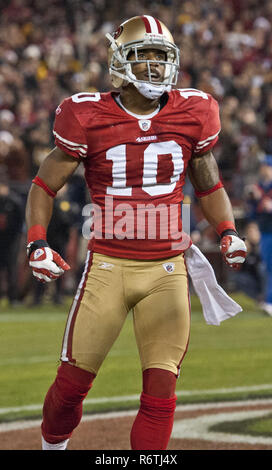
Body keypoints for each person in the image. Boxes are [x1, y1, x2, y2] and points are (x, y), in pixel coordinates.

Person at [25, 15, 247, 451]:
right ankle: (53, 446)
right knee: (70, 387)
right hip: (108, 266)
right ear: (118, 61)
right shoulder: (86, 114)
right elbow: (43, 185)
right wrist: (37, 240)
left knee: (161, 393)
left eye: (161, 57)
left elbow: (209, 182)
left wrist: (227, 229)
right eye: (143, 56)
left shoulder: (194, 111)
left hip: (167, 269)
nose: (153, 67)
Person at [245, 155, 272, 315]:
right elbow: (252, 213)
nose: (264, 169)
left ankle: (269, 300)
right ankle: (268, 300)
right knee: (267, 267)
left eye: (267, 166)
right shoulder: (259, 187)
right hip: (265, 231)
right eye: (263, 166)